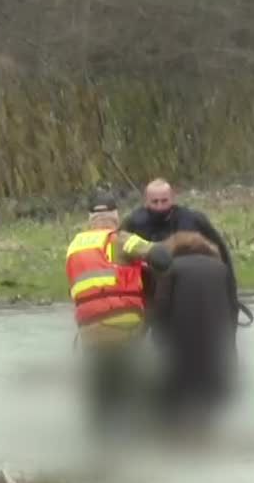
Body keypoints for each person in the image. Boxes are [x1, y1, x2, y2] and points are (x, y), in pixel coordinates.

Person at [65, 190, 172, 436]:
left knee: (102, 400)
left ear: (90, 218)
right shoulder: (121, 239)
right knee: (141, 388)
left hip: (90, 335)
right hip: (123, 332)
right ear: (116, 216)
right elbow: (161, 258)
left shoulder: (74, 248)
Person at [149, 231, 239, 438]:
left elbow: (161, 308)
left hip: (180, 350)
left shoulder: (170, 268)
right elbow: (233, 309)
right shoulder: (221, 269)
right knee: (206, 410)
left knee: (173, 411)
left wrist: (157, 339)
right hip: (215, 349)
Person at [120, 178, 240, 320]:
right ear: (146, 201)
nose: (160, 207)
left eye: (164, 201)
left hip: (187, 289)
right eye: (155, 202)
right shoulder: (133, 223)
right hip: (149, 289)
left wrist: (232, 301)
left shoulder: (194, 220)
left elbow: (223, 256)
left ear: (173, 198)